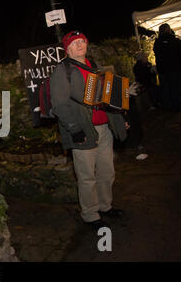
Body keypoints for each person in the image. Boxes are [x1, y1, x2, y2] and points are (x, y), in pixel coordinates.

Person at [50, 30, 129, 230]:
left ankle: (105, 206)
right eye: (74, 43)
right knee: (86, 176)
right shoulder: (63, 70)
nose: (79, 45)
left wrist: (120, 120)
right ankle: (90, 214)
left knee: (107, 171)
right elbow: (59, 104)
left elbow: (108, 96)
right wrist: (75, 129)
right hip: (83, 130)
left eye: (82, 41)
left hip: (104, 127)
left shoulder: (94, 66)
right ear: (67, 49)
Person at [153, 23, 181, 111]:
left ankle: (167, 106)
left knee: (165, 88)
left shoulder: (157, 42)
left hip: (162, 70)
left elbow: (156, 54)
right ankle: (176, 106)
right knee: (175, 88)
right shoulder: (175, 40)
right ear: (168, 29)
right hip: (174, 68)